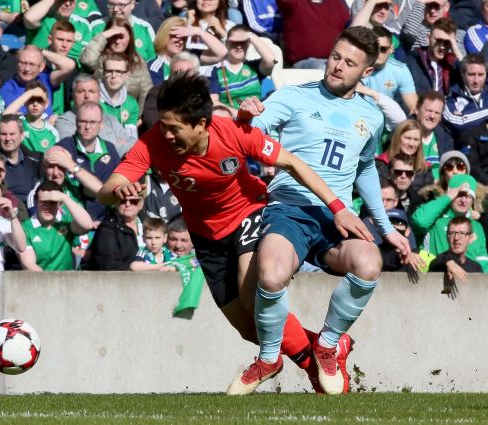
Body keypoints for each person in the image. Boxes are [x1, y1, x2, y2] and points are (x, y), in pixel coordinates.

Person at [97, 72, 371, 395]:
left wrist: (337, 206)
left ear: (201, 124)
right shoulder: (153, 141)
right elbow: (106, 189)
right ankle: (322, 356)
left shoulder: (233, 133)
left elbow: (293, 164)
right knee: (251, 328)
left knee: (250, 292)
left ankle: (308, 368)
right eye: (163, 125)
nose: (166, 134)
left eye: (174, 128)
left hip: (250, 212)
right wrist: (118, 189)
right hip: (207, 239)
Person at [235, 26, 412, 395]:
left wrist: (386, 227)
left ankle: (328, 344)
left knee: (369, 263)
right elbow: (250, 131)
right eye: (335, 56)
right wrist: (248, 114)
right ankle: (269, 358)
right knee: (270, 275)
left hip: (337, 217)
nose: (338, 66)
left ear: (366, 72)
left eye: (349, 62)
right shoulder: (293, 97)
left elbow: (365, 168)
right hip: (290, 208)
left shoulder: (371, 116)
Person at [58, 101, 120, 222]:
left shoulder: (110, 150)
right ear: (76, 122)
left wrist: (72, 166)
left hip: (105, 221)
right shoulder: (64, 147)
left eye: (92, 122)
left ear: (101, 124)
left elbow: (115, 190)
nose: (87, 127)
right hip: (72, 221)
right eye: (83, 121)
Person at [411, 173, 488, 271]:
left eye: (469, 196)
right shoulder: (435, 219)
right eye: (459, 195)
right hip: (434, 278)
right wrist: (447, 197)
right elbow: (419, 221)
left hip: (468, 282)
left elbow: (483, 261)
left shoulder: (477, 226)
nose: (463, 200)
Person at [80, 17, 153, 113]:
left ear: (130, 37)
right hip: (99, 114)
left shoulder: (138, 62)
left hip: (128, 116)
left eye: (121, 37)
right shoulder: (98, 58)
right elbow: (86, 60)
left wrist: (137, 117)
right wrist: (104, 35)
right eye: (114, 36)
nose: (117, 41)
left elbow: (145, 93)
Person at [55, 73, 136, 158]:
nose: (87, 96)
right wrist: (116, 145)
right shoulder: (65, 121)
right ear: (73, 95)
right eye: (81, 91)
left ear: (99, 96)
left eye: (91, 91)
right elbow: (76, 150)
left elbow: (133, 143)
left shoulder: (110, 119)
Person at [19, 180, 93, 271]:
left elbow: (88, 225)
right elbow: (29, 265)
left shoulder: (66, 222)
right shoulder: (25, 227)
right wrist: (51, 283)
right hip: (40, 281)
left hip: (68, 280)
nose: (47, 207)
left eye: (52, 202)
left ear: (60, 204)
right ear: (36, 202)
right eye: (43, 202)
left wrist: (64, 198)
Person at [209, 25, 277, 117]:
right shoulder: (216, 71)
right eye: (234, 42)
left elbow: (272, 60)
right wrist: (239, 114)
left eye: (243, 42)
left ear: (248, 44)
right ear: (227, 43)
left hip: (257, 115)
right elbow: (214, 102)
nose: (239, 46)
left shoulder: (254, 67)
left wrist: (251, 36)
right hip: (231, 117)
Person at [83, 191, 145, 270]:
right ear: (116, 204)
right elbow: (108, 266)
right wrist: (136, 268)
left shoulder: (150, 225)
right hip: (120, 279)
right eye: (123, 200)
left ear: (141, 204)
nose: (128, 204)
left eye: (133, 201)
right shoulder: (107, 228)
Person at [404, 17, 462, 96]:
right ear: (428, 38)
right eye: (438, 41)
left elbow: (467, 78)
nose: (442, 47)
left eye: (447, 42)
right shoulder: (412, 62)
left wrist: (456, 50)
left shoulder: (452, 65)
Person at [442, 53, 488, 149]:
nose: (476, 80)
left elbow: (464, 122)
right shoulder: (452, 98)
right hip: (464, 155)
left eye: (480, 75)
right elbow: (458, 123)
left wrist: (466, 115)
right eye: (471, 75)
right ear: (463, 74)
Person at [24, 0, 93, 61]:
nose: (67, 4)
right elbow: (29, 19)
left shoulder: (83, 25)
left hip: (71, 71)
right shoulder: (44, 19)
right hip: (39, 67)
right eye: (62, 0)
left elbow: (86, 58)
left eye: (71, 1)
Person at [3, 81, 60, 154]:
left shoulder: (52, 132)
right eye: (31, 99)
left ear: (46, 104)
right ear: (25, 101)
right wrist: (30, 93)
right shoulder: (18, 122)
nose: (35, 104)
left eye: (40, 100)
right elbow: (5, 117)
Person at [0, 114, 41, 206]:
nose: (8, 138)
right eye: (3, 134)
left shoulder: (36, 161)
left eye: (12, 134)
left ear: (22, 136)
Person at [98, 52, 140, 138]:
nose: (113, 76)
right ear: (103, 73)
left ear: (127, 75)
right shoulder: (91, 97)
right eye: (109, 71)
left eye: (119, 72)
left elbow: (131, 138)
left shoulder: (131, 103)